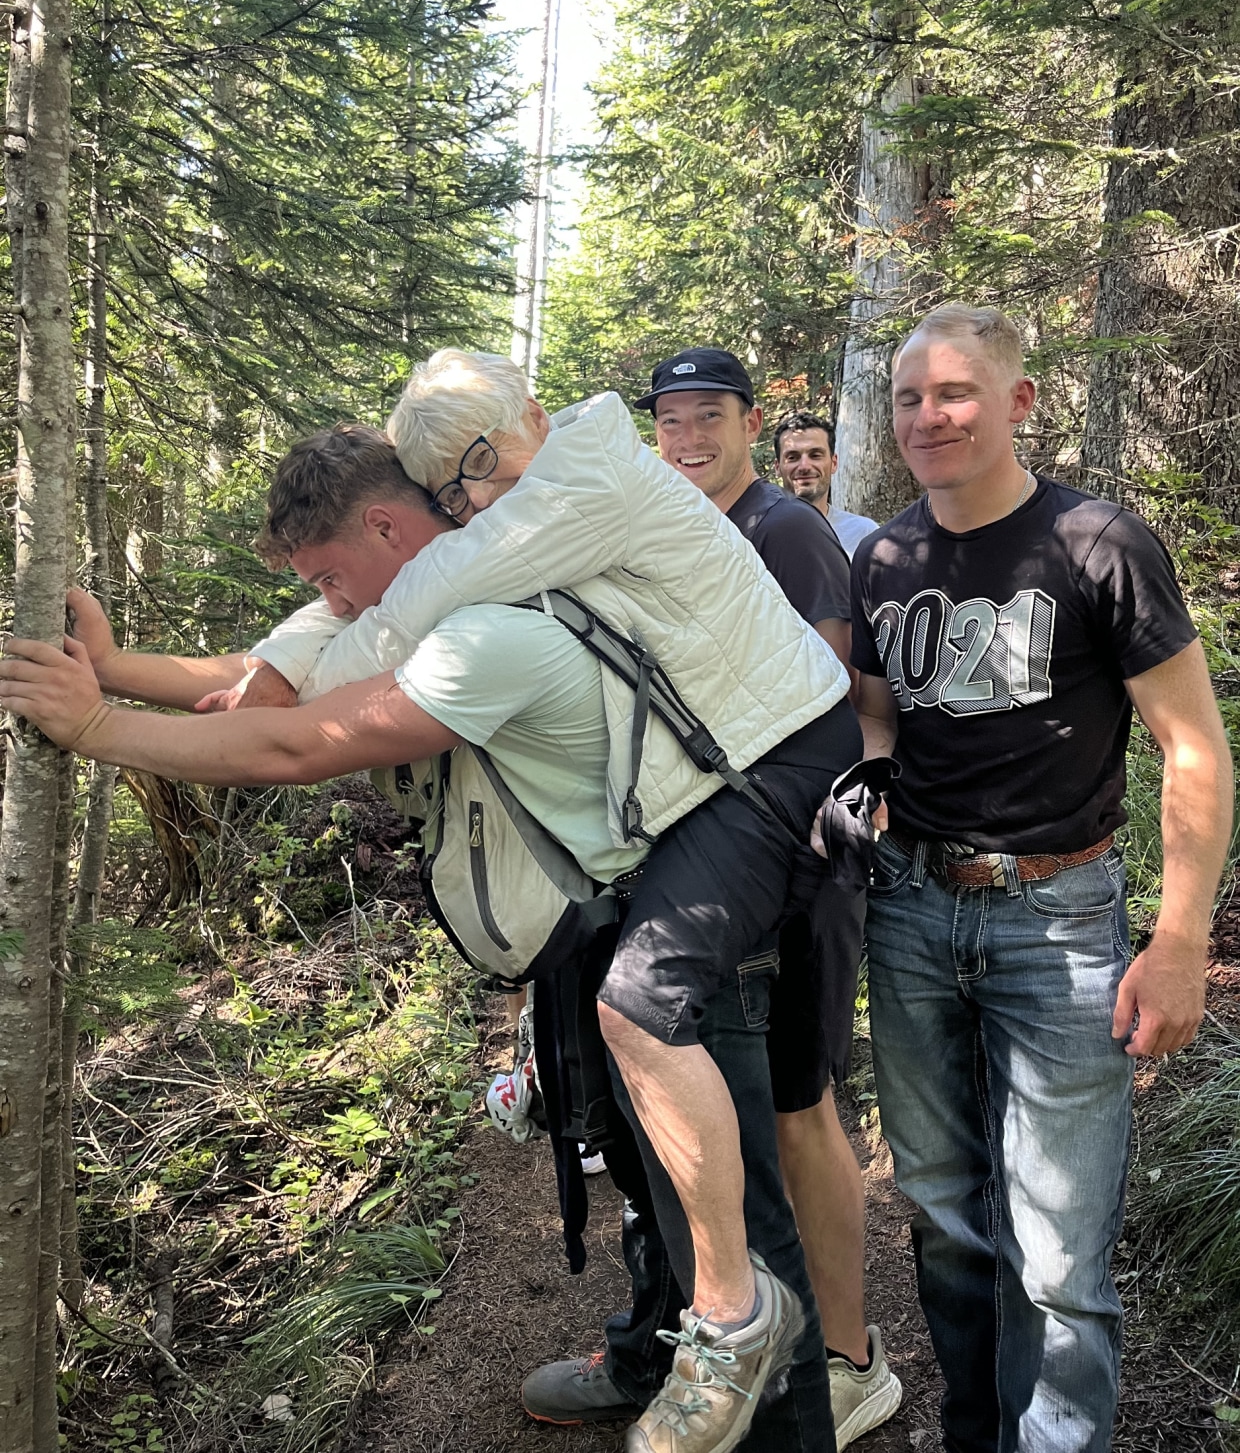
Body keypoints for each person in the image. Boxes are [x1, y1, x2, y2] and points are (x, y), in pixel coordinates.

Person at [24, 407, 858, 1453]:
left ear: (387, 531)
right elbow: (272, 673)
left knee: (732, 1232)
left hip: (685, 909)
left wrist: (97, 729)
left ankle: (765, 1408)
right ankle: (659, 1357)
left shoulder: (488, 631)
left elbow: (290, 742)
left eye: (329, 576)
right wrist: (114, 669)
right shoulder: (431, 591)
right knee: (654, 1189)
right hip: (610, 910)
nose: (325, 605)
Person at [844, 303, 1234, 1452]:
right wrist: (867, 781)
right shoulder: (886, 556)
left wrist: (1175, 943)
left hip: (1059, 918)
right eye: (911, 398)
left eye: (956, 393)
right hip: (910, 913)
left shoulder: (1098, 545)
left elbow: (1196, 747)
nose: (930, 416)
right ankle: (979, 1430)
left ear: (1018, 402)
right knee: (946, 1219)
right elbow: (878, 710)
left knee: (1058, 1253)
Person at [524, 348, 900, 1448]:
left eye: (707, 419)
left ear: (750, 424)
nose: (686, 439)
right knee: (695, 1114)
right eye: (669, 422)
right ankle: (678, 1339)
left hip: (786, 867)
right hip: (703, 866)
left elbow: (810, 702)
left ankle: (840, 1358)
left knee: (793, 1105)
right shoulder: (661, 520)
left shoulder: (782, 530)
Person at [772, 411, 878, 557]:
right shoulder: (761, 533)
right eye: (792, 457)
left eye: (815, 455)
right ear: (777, 467)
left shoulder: (864, 534)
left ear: (834, 463)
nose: (804, 466)